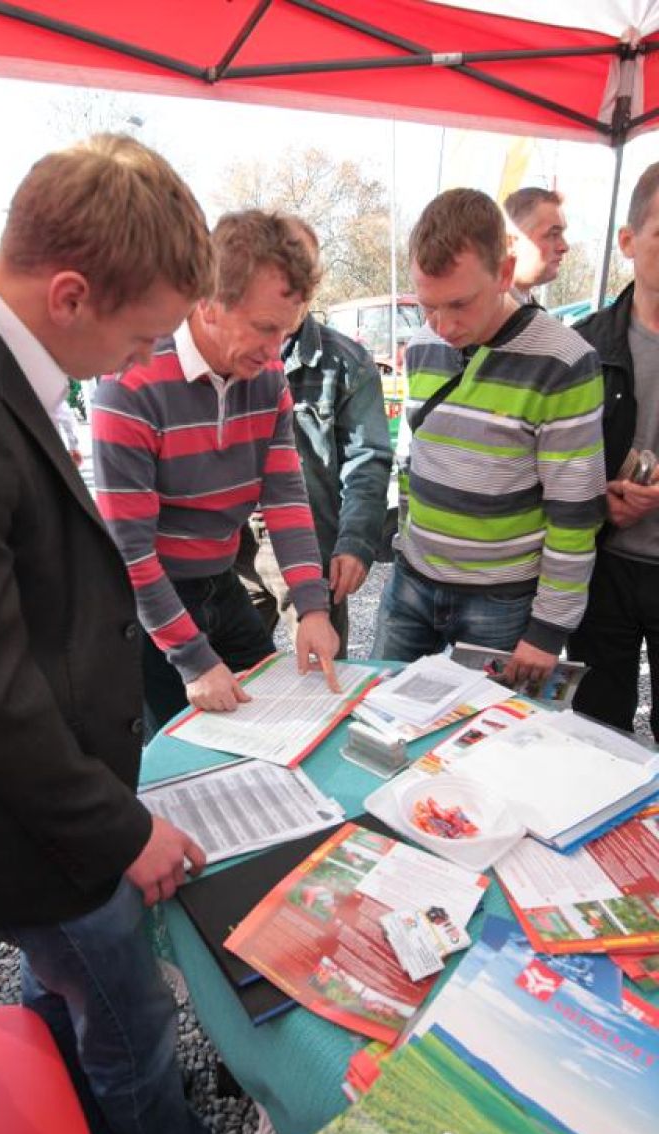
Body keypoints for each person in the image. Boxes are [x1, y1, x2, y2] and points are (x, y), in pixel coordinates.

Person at [0, 135, 297, 1134]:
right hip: (23, 818)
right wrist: (124, 829)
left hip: (48, 797)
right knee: (130, 1006)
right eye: (140, 333)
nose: (137, 360)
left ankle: (76, 1097)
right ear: (67, 294)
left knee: (70, 988)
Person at [93, 209, 340, 737]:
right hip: (145, 603)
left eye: (287, 331)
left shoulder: (268, 377)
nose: (277, 352)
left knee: (275, 721)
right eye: (264, 329)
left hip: (219, 581)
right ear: (206, 302)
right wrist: (192, 659)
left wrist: (312, 607)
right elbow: (128, 550)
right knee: (183, 749)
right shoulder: (129, 384)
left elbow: (285, 498)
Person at [372, 188, 606, 688]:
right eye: (427, 306)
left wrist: (546, 631)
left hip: (499, 603)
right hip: (410, 584)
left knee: (477, 752)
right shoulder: (424, 346)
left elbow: (575, 511)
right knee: (377, 717)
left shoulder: (565, 361)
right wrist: (404, 547)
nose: (442, 325)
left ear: (504, 273)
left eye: (459, 303)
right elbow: (416, 458)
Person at [236, 218, 391, 657]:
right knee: (235, 673)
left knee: (326, 668)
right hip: (234, 551)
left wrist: (356, 541)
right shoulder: (228, 354)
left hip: (310, 549)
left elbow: (369, 460)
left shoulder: (347, 363)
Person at [569, 163, 659, 741]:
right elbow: (548, 461)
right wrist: (593, 495)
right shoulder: (584, 345)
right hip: (601, 568)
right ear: (627, 242)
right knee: (598, 734)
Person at [503, 186, 569, 304]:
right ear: (511, 243)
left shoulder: (531, 314)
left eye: (561, 234)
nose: (564, 247)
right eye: (553, 234)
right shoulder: (479, 316)